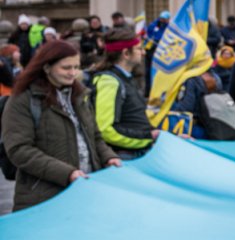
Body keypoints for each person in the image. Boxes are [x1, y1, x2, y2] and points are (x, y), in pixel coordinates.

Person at [1, 41, 121, 211]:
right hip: (44, 199)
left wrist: (109, 157)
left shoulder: (80, 96)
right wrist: (67, 173)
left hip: (87, 191)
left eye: (76, 67)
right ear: (47, 67)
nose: (73, 73)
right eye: (66, 68)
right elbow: (20, 150)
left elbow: (94, 137)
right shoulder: (23, 99)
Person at [90, 28, 159, 160]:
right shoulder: (109, 82)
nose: (144, 53)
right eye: (139, 49)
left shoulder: (126, 78)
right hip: (124, 156)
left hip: (134, 152)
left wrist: (158, 134)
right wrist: (147, 138)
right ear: (126, 53)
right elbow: (105, 130)